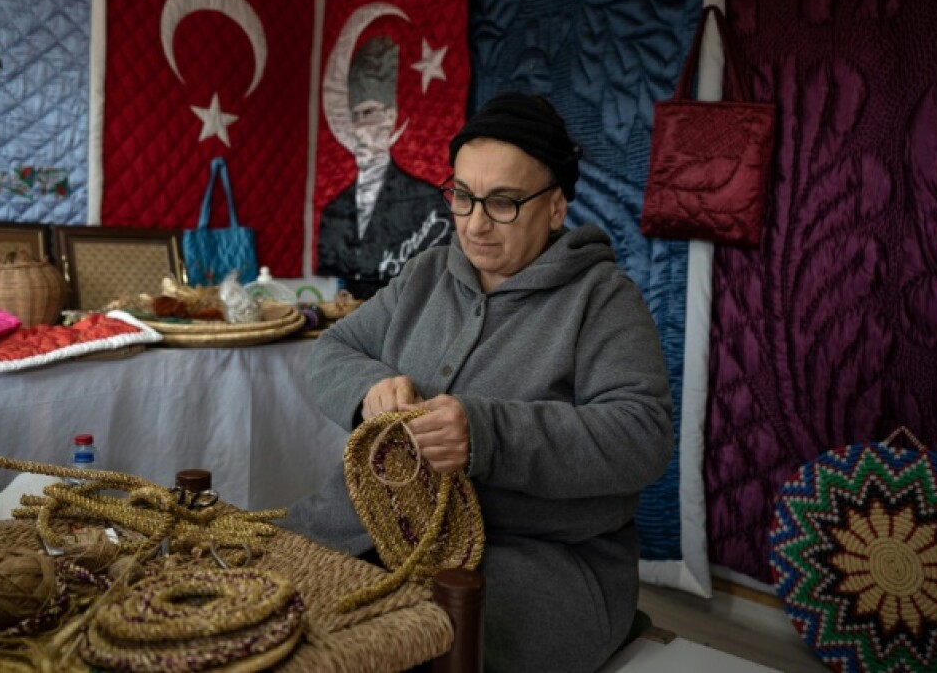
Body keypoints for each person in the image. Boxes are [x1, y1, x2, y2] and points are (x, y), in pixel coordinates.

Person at [282, 92, 675, 672]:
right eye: (463, 196)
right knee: (257, 604)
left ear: (556, 207)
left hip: (534, 561)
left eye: (504, 203)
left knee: (402, 647)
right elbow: (333, 349)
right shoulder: (426, 274)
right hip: (371, 527)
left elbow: (642, 436)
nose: (475, 224)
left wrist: (487, 434)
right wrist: (372, 389)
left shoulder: (602, 299)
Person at [317, 35, 452, 298]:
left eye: (368, 114)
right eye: (355, 117)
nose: (360, 129)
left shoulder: (427, 201)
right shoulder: (334, 209)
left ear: (390, 117)